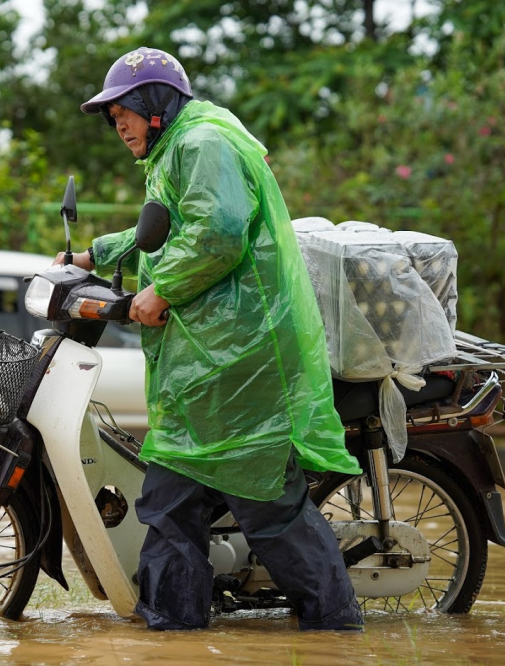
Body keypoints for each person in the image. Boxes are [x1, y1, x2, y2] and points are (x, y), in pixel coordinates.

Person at [56, 47, 365, 631]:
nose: (115, 124)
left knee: (268, 509)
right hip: (208, 365)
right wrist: (93, 253)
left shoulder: (204, 144)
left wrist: (163, 290)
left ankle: (338, 632)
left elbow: (218, 233)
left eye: (121, 110)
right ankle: (173, 633)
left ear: (154, 104)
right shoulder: (178, 149)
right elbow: (167, 224)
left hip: (242, 359)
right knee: (170, 506)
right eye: (110, 115)